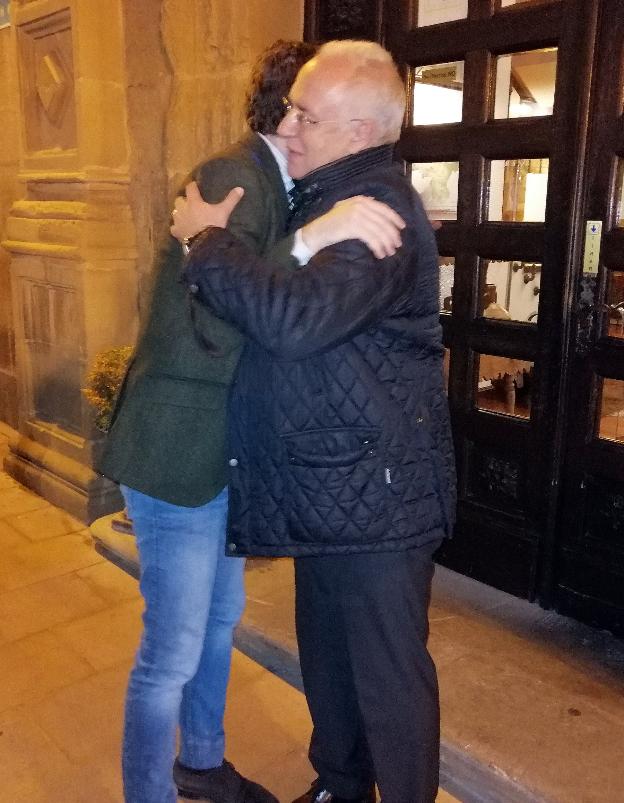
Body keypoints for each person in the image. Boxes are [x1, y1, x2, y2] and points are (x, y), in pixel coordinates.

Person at [98, 39, 405, 803]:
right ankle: (149, 791)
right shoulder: (237, 176)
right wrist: (309, 241)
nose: (308, 128)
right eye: (302, 110)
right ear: (287, 112)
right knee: (170, 650)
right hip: (180, 449)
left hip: (221, 454)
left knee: (215, 624)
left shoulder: (279, 181)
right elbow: (217, 319)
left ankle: (201, 761)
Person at [174, 39, 457, 803]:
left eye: (305, 114)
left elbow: (294, 319)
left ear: (360, 131)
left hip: (381, 501)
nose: (287, 127)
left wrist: (205, 241)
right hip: (336, 489)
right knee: (331, 666)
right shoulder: (325, 200)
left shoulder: (378, 212)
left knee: (390, 681)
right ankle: (337, 785)